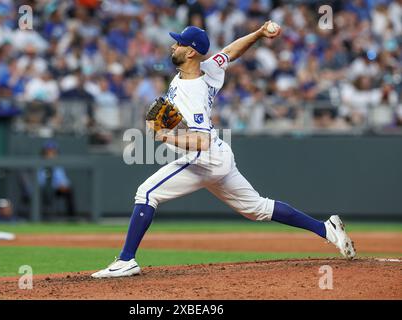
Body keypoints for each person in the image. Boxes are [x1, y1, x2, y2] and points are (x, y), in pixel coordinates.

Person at [91, 22, 356, 279]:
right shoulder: (208, 70)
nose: (173, 46)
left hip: (204, 158)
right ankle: (327, 229)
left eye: (179, 43)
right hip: (220, 156)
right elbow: (230, 52)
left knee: (146, 193)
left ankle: (126, 260)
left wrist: (163, 135)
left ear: (191, 51)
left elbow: (200, 142)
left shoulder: (192, 90)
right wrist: (259, 33)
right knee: (258, 208)